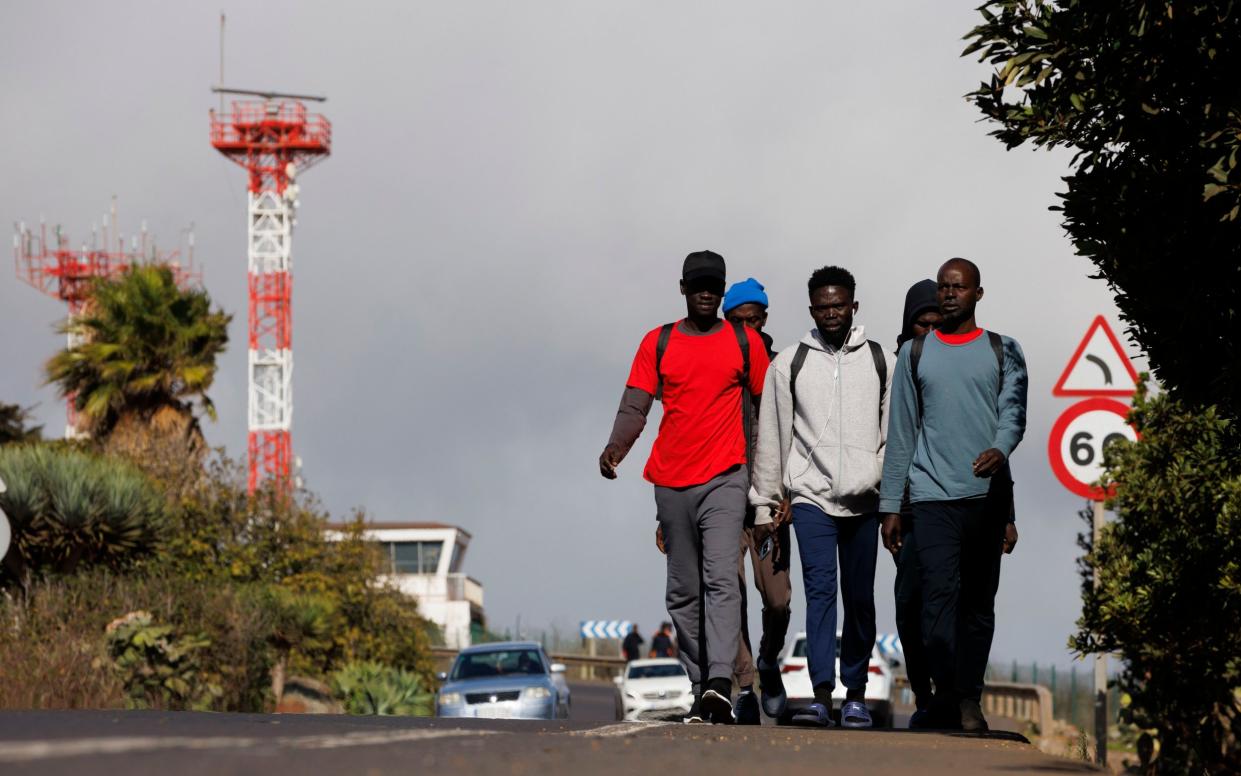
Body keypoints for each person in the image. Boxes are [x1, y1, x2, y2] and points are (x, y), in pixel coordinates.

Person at [599, 250, 769, 724]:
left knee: (721, 579)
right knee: (682, 592)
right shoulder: (659, 342)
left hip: (726, 476)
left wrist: (771, 480)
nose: (706, 293)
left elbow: (766, 409)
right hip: (671, 481)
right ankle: (701, 688)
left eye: (714, 286)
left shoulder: (743, 342)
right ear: (683, 289)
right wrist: (616, 448)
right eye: (698, 286)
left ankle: (719, 679)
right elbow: (636, 405)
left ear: (720, 291)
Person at [879, 258, 1028, 733]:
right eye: (943, 287)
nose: (948, 295)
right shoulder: (916, 354)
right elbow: (902, 434)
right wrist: (889, 507)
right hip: (931, 496)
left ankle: (968, 698)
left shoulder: (1003, 350)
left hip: (986, 497)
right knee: (936, 598)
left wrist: (1000, 450)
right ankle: (944, 690)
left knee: (977, 603)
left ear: (977, 294)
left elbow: (1013, 414)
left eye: (958, 288)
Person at [749, 266, 893, 728]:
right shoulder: (790, 362)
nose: (831, 313)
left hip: (865, 501)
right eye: (822, 306)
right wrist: (766, 503)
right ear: (812, 310)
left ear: (854, 306)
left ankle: (855, 693)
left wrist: (887, 495)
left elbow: (892, 435)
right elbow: (772, 439)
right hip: (810, 498)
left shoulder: (879, 360)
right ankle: (821, 696)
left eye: (839, 305)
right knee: (820, 593)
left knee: (860, 598)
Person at [721, 277, 793, 725]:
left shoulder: (782, 366)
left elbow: (797, 436)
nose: (747, 325)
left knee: (779, 601)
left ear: (764, 319)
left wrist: (790, 492)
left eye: (755, 318)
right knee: (731, 597)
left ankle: (769, 661)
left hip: (770, 504)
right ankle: (745, 686)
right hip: (723, 502)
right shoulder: (715, 365)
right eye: (738, 319)